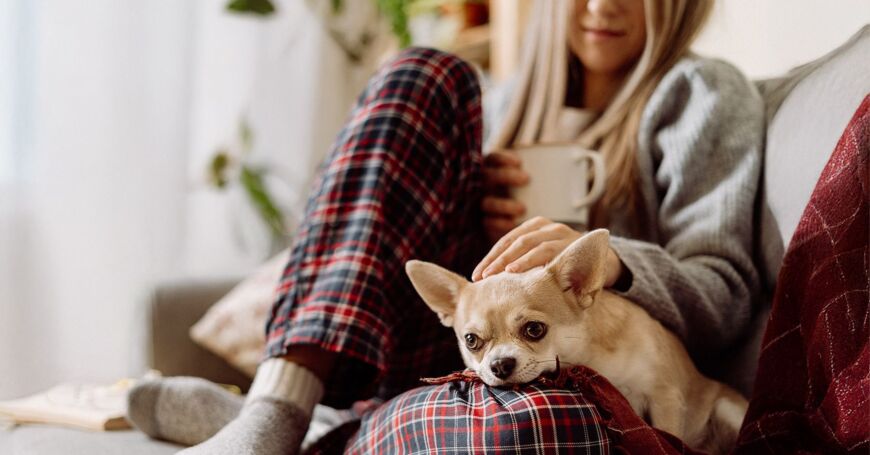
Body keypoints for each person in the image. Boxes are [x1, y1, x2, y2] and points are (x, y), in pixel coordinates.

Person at [127, 0, 764, 452]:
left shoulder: (700, 93)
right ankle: (280, 405)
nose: (602, 6)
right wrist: (469, 212)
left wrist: (610, 260)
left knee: (543, 418)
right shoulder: (504, 103)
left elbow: (727, 296)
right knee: (427, 71)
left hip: (574, 361)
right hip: (457, 344)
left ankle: (325, 432)